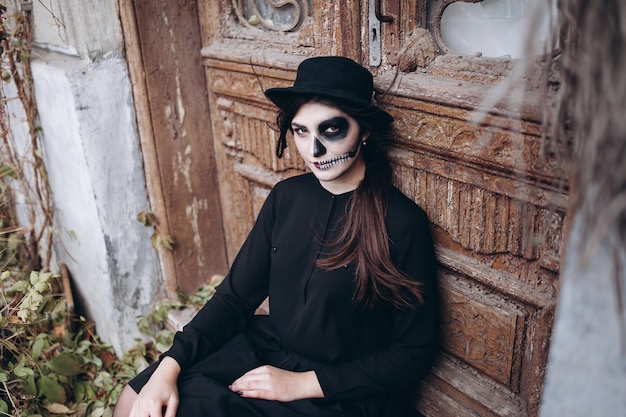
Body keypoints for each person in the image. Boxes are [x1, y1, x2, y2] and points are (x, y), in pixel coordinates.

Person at [113, 56, 439, 417]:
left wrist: (302, 384)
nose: (313, 151)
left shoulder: (402, 222)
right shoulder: (287, 197)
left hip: (339, 388)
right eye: (301, 131)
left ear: (364, 131)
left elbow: (414, 352)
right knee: (134, 399)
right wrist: (169, 366)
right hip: (267, 347)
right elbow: (235, 298)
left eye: (330, 130)